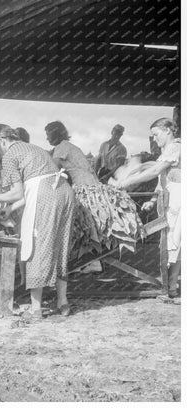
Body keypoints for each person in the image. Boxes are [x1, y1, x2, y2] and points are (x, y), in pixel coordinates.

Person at [0, 125, 75, 318]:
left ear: (2, 141)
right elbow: (32, 188)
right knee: (60, 245)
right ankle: (63, 302)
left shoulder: (9, 155)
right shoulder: (34, 148)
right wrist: (10, 209)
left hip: (45, 195)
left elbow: (17, 192)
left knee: (35, 244)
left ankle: (36, 309)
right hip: (64, 192)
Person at [45, 121, 144, 261]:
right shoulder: (71, 146)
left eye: (48, 135)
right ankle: (91, 259)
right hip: (94, 186)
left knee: (75, 223)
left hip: (86, 190)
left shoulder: (61, 148)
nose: (47, 138)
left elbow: (52, 170)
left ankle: (84, 258)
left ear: (55, 134)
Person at [118, 118, 181, 299]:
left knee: (175, 242)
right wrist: (153, 200)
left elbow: (154, 172)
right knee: (171, 242)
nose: (154, 139)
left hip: (179, 200)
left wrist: (126, 182)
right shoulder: (167, 150)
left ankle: (171, 288)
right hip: (170, 200)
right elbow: (163, 179)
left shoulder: (176, 147)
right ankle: (170, 287)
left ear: (168, 130)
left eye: (156, 134)